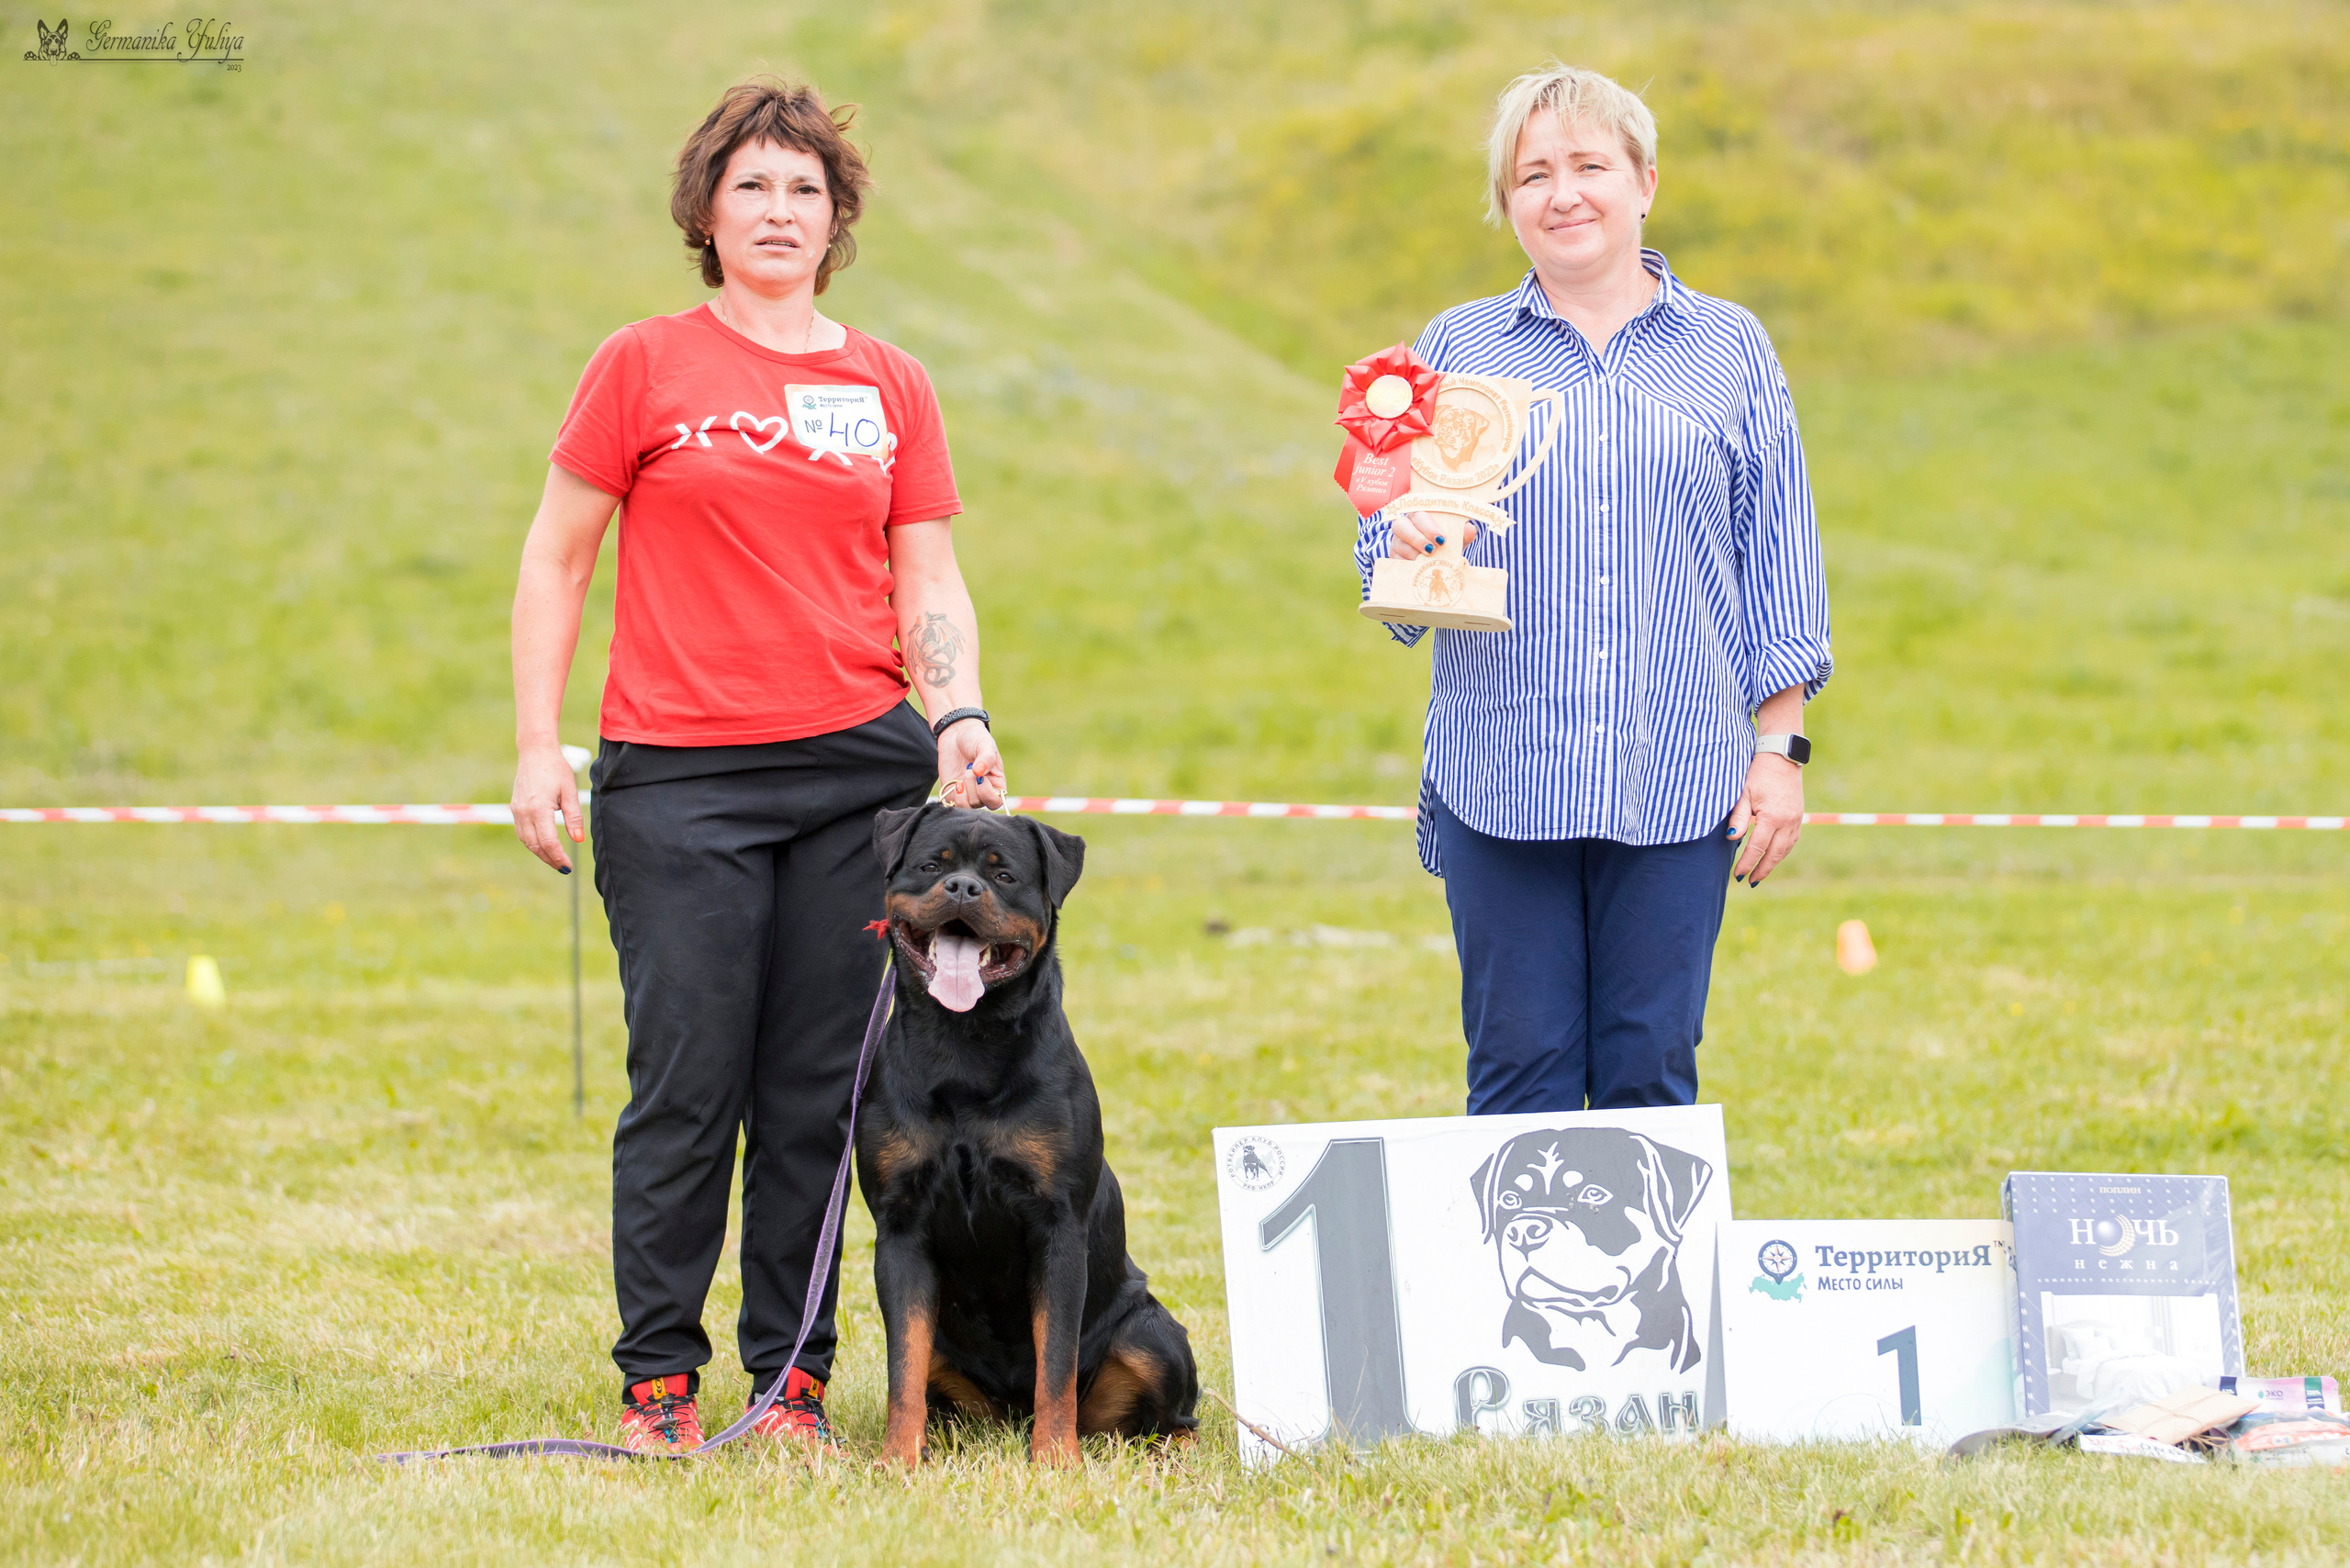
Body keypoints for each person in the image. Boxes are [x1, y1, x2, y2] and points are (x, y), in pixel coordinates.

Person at [508, 78, 1005, 1457]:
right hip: (677, 780)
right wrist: (536, 741)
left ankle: (789, 1385)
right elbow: (556, 560)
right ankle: (658, 1383)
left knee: (818, 1099)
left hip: (860, 782)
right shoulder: (643, 365)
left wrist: (957, 714)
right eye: (752, 188)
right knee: (686, 1083)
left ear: (837, 217)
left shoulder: (889, 381)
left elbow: (931, 578)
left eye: (805, 190)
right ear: (706, 213)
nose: (779, 212)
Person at [1354, 62, 1832, 1116]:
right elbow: (1384, 559)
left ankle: (1651, 1291)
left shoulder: (1731, 348)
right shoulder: (1454, 350)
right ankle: (1515, 1287)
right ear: (1506, 205)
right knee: (1516, 1072)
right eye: (1532, 175)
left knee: (1649, 1072)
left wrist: (1778, 752)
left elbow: (1779, 556)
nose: (1562, 193)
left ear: (1645, 181)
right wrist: (1402, 527)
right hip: (1503, 774)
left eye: (1588, 165)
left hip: (1677, 779)